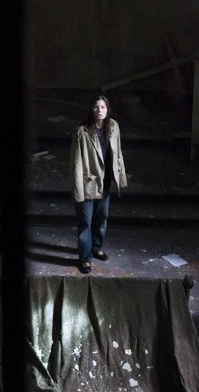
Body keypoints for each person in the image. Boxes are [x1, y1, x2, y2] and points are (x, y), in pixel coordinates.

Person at [69, 95, 127, 274]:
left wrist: (120, 176)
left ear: (107, 109)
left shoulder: (113, 126)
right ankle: (84, 258)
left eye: (103, 107)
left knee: (101, 219)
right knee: (85, 223)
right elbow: (76, 162)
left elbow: (118, 153)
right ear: (91, 109)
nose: (100, 110)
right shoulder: (82, 131)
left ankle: (96, 247)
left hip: (106, 181)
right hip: (88, 183)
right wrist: (78, 189)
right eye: (96, 107)